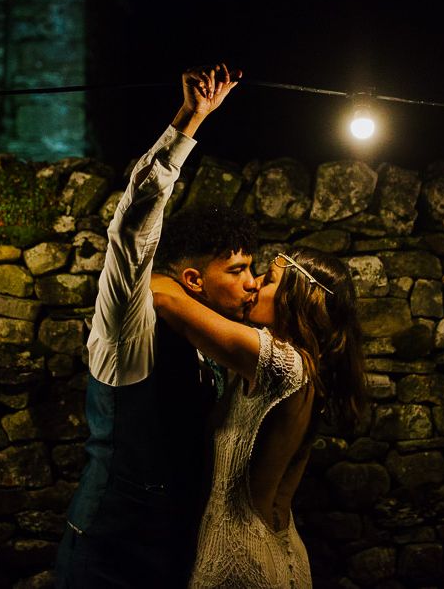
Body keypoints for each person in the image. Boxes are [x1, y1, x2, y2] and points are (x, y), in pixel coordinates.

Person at [54, 63, 260, 588]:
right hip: (107, 553)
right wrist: (188, 122)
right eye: (236, 271)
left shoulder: (212, 336)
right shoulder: (130, 327)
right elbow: (132, 228)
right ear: (192, 279)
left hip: (175, 552)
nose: (252, 284)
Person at [151, 248, 367, 588]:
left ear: (296, 299)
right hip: (279, 550)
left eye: (268, 280)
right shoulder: (306, 363)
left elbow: (166, 302)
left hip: (240, 559)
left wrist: (171, 274)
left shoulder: (279, 363)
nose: (253, 285)